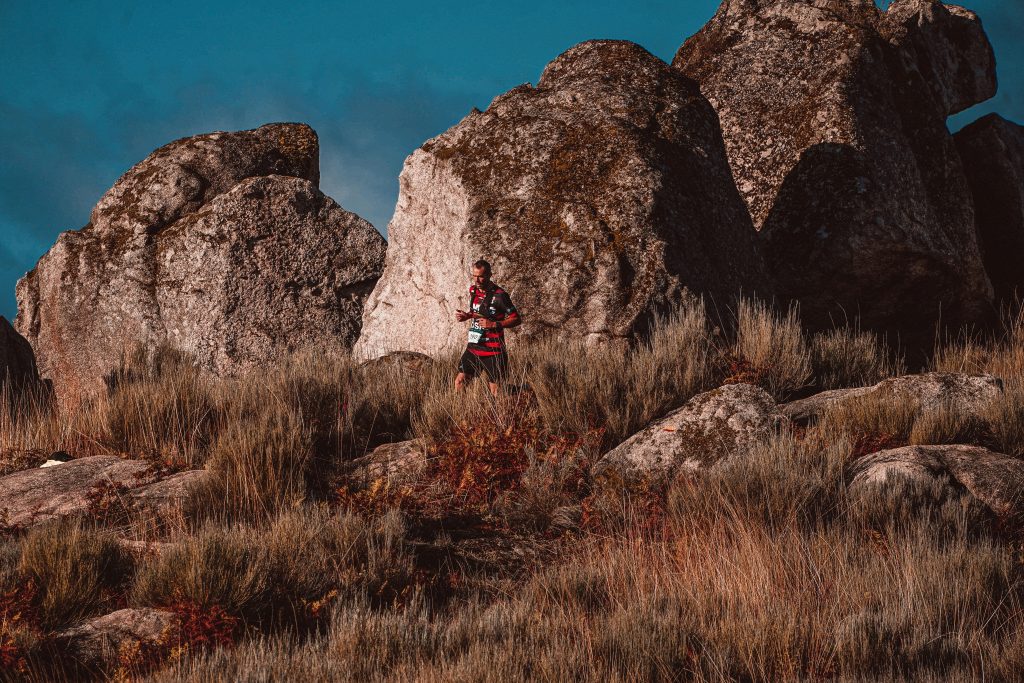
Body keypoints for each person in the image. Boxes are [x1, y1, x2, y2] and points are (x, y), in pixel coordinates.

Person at [454, 260, 521, 396]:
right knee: (460, 382)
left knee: (496, 391)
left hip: (494, 351)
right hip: (474, 347)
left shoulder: (500, 295)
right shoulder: (473, 290)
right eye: (474, 276)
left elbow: (516, 319)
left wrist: (494, 324)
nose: (477, 280)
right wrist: (468, 315)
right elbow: (481, 312)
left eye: (481, 276)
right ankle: (460, 414)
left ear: (490, 275)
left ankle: (516, 397)